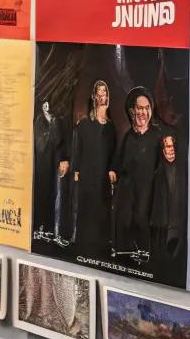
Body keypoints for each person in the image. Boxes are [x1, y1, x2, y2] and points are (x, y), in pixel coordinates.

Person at [110, 87, 161, 260]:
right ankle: (128, 252)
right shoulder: (128, 137)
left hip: (149, 191)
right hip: (127, 189)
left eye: (147, 108)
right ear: (132, 111)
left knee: (141, 218)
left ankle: (144, 253)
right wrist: (112, 171)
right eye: (139, 108)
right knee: (124, 218)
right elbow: (117, 161)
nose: (143, 112)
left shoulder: (157, 136)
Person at [71, 80, 116, 259]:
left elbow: (114, 152)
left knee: (102, 208)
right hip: (87, 173)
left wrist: (113, 169)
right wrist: (76, 171)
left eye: (104, 92)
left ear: (107, 96)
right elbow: (77, 149)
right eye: (99, 92)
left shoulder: (111, 127)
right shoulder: (84, 125)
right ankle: (83, 246)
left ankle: (101, 247)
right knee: (86, 207)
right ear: (94, 96)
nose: (102, 96)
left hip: (103, 176)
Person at [149, 130, 186, 277]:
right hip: (163, 226)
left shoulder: (183, 170)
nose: (169, 150)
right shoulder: (158, 173)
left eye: (171, 147)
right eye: (166, 147)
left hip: (179, 225)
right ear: (162, 150)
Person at [33, 98, 70, 241]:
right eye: (45, 104)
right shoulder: (39, 121)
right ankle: (39, 228)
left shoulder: (57, 121)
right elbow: (40, 144)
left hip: (53, 163)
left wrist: (53, 123)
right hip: (41, 165)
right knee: (41, 194)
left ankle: (49, 230)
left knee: (53, 195)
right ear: (42, 106)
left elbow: (57, 140)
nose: (47, 107)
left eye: (50, 103)